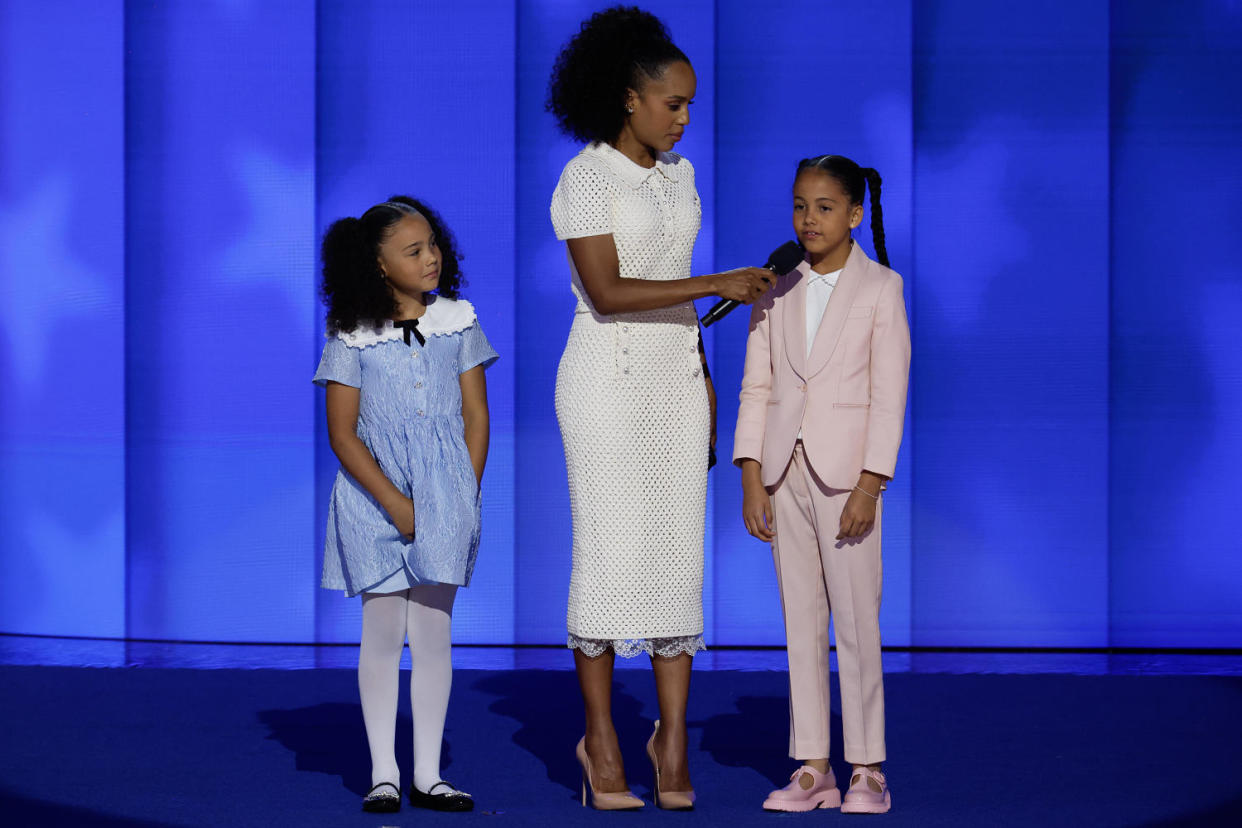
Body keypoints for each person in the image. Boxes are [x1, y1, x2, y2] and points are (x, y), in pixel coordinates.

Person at [546, 5, 774, 811]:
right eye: (672, 102)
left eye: (690, 104)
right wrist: (718, 282)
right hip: (605, 381)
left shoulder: (679, 177)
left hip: (675, 380)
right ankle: (600, 740)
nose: (683, 117)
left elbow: (670, 281)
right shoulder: (585, 177)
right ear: (627, 98)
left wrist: (705, 377)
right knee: (610, 559)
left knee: (677, 563)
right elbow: (607, 293)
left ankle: (670, 742)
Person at [734, 155, 910, 815]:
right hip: (785, 474)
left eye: (826, 206)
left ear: (855, 214)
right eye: (801, 205)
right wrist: (752, 474)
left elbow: (888, 396)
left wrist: (871, 484)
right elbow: (759, 385)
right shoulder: (775, 287)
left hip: (847, 478)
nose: (810, 219)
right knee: (799, 621)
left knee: (858, 622)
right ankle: (814, 764)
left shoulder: (880, 289)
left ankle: (867, 767)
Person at [313, 197, 497, 814]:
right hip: (373, 498)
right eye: (413, 250)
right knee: (384, 629)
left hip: (445, 497)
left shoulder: (458, 321)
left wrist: (461, 495)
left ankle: (427, 773)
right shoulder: (352, 334)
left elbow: (476, 415)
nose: (430, 258)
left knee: (434, 630)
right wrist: (394, 501)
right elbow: (342, 432)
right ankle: (383, 772)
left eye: (433, 245)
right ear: (378, 263)